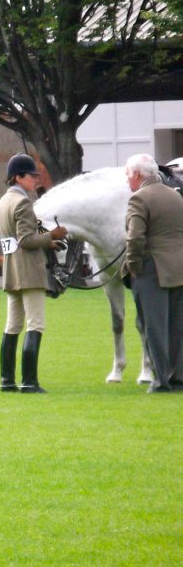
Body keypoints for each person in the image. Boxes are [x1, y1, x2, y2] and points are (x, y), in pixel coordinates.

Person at [0, 153, 67, 393]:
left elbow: (14, 240)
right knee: (35, 324)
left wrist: (47, 243)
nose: (36, 179)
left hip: (12, 270)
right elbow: (26, 240)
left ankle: (7, 380)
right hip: (29, 271)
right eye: (31, 175)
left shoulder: (4, 201)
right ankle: (29, 381)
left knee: (12, 326)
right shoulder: (23, 202)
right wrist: (52, 236)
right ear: (18, 177)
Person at [120, 153, 183, 393]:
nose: (127, 180)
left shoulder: (139, 199)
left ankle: (160, 381)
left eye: (128, 175)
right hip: (179, 268)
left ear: (137, 174)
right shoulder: (176, 196)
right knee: (177, 327)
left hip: (152, 269)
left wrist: (133, 266)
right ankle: (178, 378)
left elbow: (135, 237)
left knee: (153, 327)